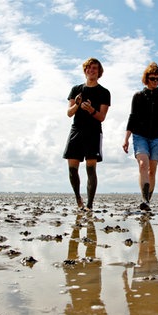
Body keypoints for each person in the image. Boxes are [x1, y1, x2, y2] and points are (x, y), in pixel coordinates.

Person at [122, 62, 158, 212]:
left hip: (157, 137)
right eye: (153, 78)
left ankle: (147, 202)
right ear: (146, 79)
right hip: (140, 136)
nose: (156, 81)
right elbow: (132, 118)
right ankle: (144, 199)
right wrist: (126, 139)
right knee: (143, 164)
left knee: (152, 170)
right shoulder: (138, 96)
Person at [63, 58, 111, 211]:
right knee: (72, 169)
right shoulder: (76, 89)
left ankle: (89, 204)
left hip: (93, 132)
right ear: (85, 70)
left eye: (95, 68)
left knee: (91, 169)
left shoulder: (104, 92)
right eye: (89, 68)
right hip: (76, 130)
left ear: (99, 72)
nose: (91, 70)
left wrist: (91, 110)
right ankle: (78, 198)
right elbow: (69, 113)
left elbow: (102, 117)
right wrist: (77, 104)